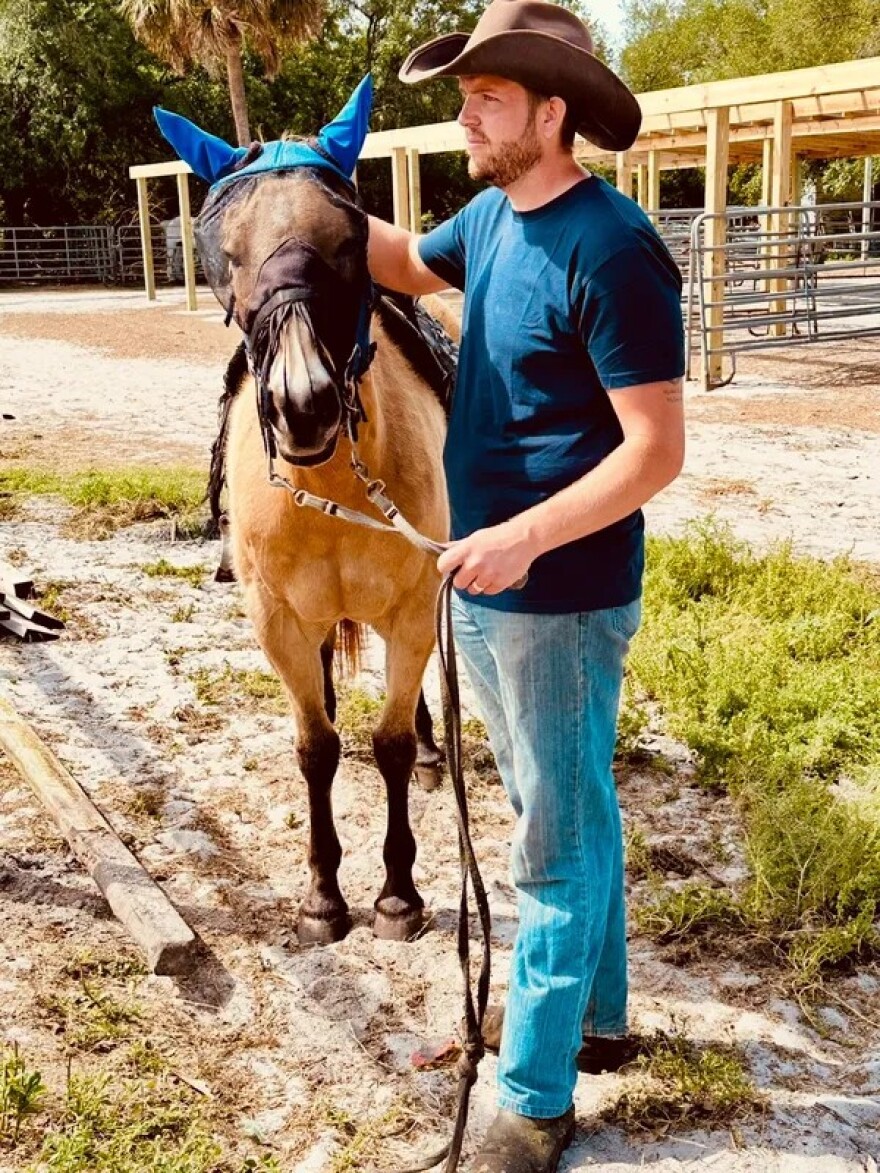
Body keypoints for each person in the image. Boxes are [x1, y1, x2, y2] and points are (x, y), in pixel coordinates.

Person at [367, 2, 685, 1169]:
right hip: (489, 581)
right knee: (564, 807)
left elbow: (655, 449)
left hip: (558, 590)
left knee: (547, 841)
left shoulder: (611, 246)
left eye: (484, 100)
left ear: (551, 115)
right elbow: (399, 261)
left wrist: (526, 539)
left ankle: (536, 1095)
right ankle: (594, 1019)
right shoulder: (494, 215)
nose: (464, 116)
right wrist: (296, 187)